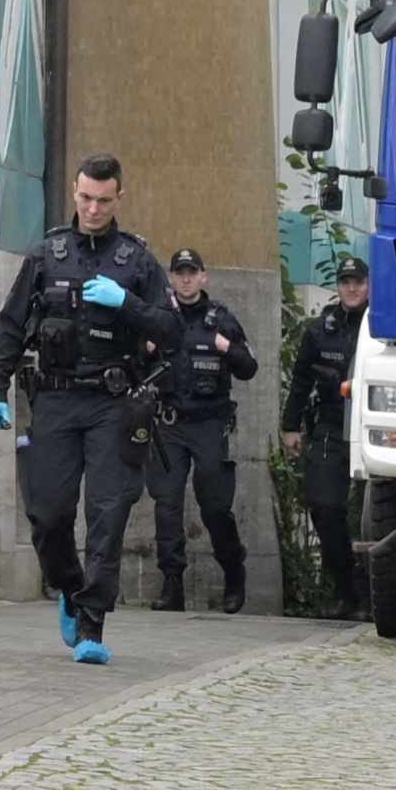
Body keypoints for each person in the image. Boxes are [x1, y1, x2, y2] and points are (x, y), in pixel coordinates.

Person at [0, 154, 170, 661]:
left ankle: (91, 626)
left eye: (104, 200)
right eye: (86, 197)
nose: (94, 208)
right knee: (48, 514)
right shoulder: (46, 255)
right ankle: (67, 584)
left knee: (108, 513)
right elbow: (11, 327)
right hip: (57, 399)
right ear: (75, 193)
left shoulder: (138, 262)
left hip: (112, 403)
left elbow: (171, 331)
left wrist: (126, 303)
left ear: (119, 199)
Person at [144, 246, 256, 612]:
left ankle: (233, 573)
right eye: (180, 273)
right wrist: (144, 350)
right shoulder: (158, 318)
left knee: (214, 506)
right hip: (169, 424)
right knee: (167, 506)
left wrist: (226, 348)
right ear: (172, 278)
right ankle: (172, 583)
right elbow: (133, 365)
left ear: (203, 277)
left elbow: (248, 368)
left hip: (209, 424)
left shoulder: (220, 319)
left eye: (193, 272)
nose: (186, 279)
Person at [282, 253, 370, 616]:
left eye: (358, 282)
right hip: (332, 425)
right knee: (324, 506)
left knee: (370, 516)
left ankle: (370, 597)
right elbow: (301, 380)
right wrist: (290, 426)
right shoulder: (321, 329)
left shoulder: (381, 326)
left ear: (368, 286)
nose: (351, 288)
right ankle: (344, 588)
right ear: (338, 287)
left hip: (371, 429)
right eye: (345, 282)